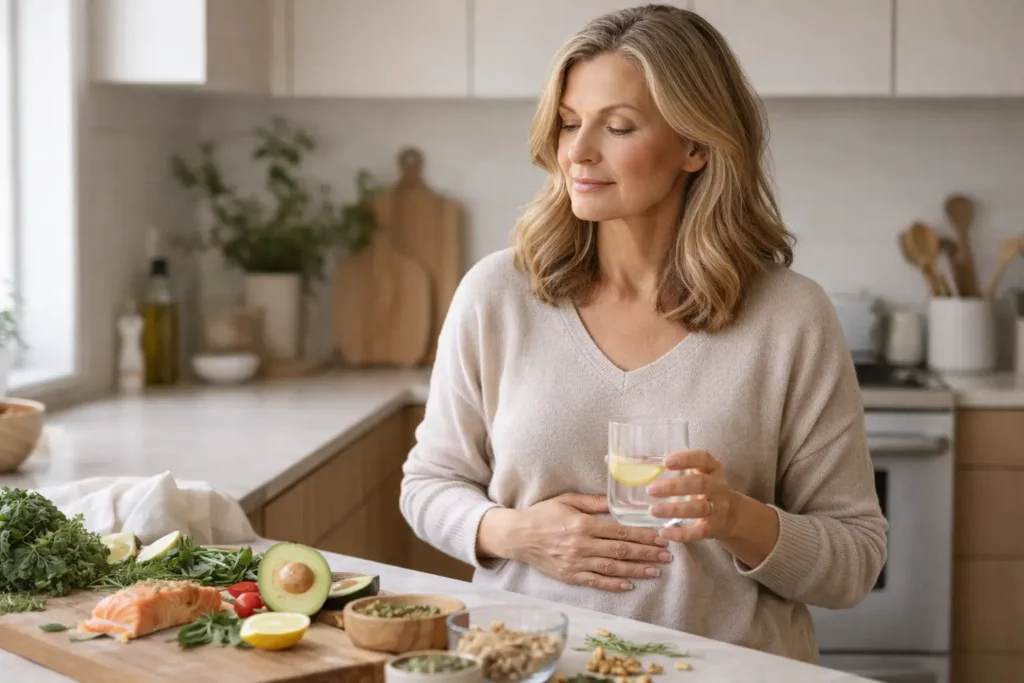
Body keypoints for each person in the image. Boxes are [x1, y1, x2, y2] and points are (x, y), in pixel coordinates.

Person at [399, 3, 887, 665]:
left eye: (618, 126)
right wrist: (514, 533)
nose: (578, 152)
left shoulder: (790, 317)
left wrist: (734, 516)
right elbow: (428, 484)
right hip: (532, 665)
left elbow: (855, 559)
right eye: (569, 122)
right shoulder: (497, 295)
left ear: (696, 146)